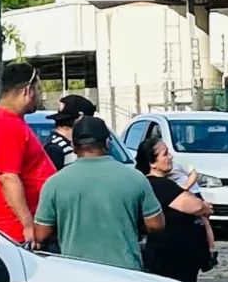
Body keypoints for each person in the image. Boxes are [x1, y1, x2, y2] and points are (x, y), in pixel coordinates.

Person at [30, 115, 160, 272]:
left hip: (77, 273)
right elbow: (156, 224)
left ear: (73, 146)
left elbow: (41, 235)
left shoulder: (54, 183)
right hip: (126, 273)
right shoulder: (135, 178)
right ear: (107, 142)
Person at [0, 61, 52, 244]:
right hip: (12, 231)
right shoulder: (5, 124)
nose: (39, 95)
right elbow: (8, 177)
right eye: (37, 89)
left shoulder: (11, 121)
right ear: (27, 91)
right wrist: (27, 225)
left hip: (16, 228)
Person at [135, 125, 217, 282]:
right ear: (152, 163)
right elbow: (195, 206)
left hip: (182, 257)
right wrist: (205, 207)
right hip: (171, 257)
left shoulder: (164, 183)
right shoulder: (158, 184)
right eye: (165, 154)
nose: (170, 157)